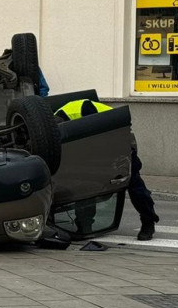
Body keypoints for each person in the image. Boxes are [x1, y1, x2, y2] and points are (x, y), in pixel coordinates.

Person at [55, 99, 160, 241]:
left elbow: (95, 134)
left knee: (133, 182)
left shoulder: (84, 111)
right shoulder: (54, 123)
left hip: (119, 139)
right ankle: (84, 225)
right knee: (85, 186)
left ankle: (148, 222)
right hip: (94, 146)